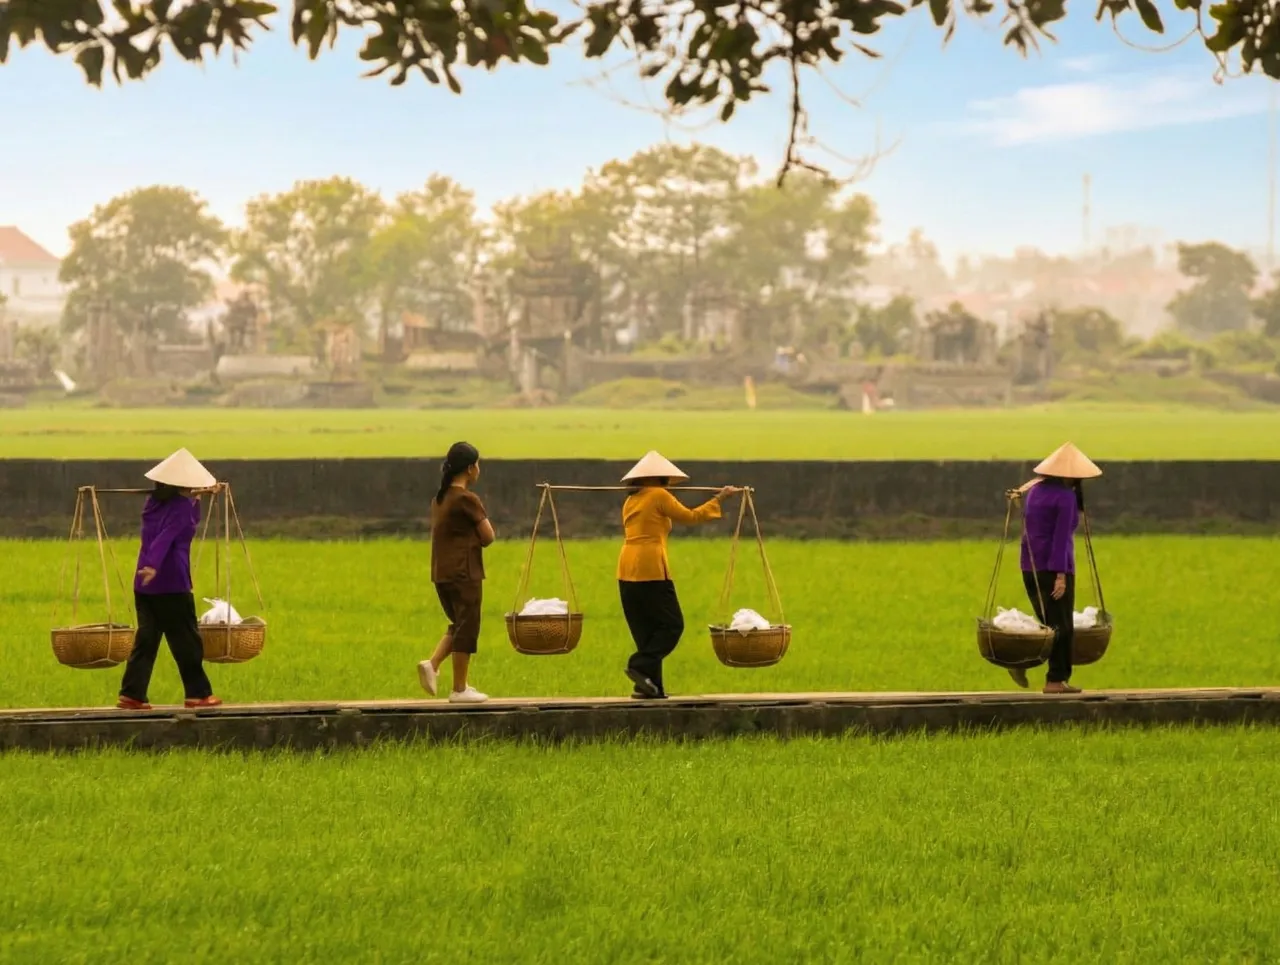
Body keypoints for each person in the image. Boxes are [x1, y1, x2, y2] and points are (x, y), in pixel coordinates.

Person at [616, 451, 739, 699]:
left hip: (626, 566)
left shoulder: (631, 500)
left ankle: (649, 686)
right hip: (650, 567)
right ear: (661, 478)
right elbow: (691, 517)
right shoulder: (659, 495)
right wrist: (720, 498)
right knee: (672, 625)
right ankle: (639, 665)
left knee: (646, 630)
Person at [117, 448, 223, 711]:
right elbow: (167, 536)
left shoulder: (152, 504)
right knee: (186, 639)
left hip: (143, 585)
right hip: (171, 583)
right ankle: (198, 694)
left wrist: (199, 496)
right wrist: (154, 565)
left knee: (147, 640)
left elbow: (183, 517)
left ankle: (132, 694)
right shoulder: (180, 508)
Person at [1010, 441, 1102, 695]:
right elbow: (1061, 538)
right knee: (1062, 626)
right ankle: (1055, 680)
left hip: (1029, 566)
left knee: (1049, 625)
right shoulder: (1065, 497)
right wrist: (1060, 576)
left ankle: (1025, 662)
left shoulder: (1035, 492)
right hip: (1054, 568)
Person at [419, 442, 494, 704]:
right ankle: (459, 689)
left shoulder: (440, 499)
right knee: (468, 628)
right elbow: (489, 537)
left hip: (442, 573)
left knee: (459, 624)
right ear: (471, 468)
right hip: (465, 572)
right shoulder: (467, 499)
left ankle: (433, 664)